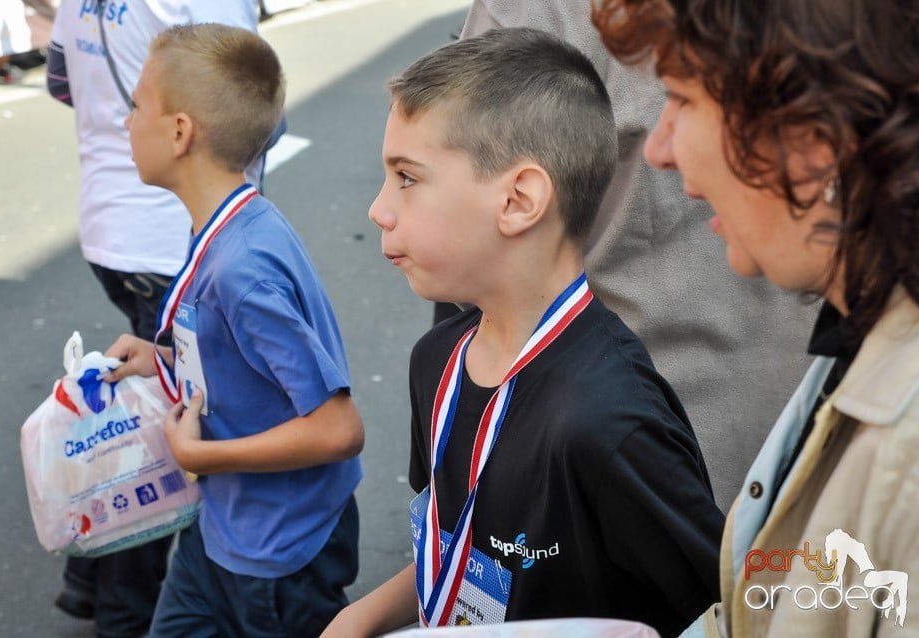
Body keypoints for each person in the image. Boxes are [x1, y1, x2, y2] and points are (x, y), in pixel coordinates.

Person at [321, 27, 724, 638]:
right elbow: (456, 543)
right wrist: (358, 618)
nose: (379, 207)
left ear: (518, 200)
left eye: (406, 177)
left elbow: (721, 603)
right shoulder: (436, 360)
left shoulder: (606, 421)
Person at [593, 0, 919, 635]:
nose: (659, 148)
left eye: (682, 99)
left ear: (812, 141)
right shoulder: (859, 336)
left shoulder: (907, 453)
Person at [452, 0, 818, 514]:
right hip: (700, 443)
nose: (662, 148)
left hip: (643, 457)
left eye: (686, 102)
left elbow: (468, 245)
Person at [99, 22, 364, 637]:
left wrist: (200, 455)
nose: (126, 120)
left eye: (137, 105)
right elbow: (241, 360)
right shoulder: (226, 224)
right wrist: (159, 356)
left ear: (180, 131)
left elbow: (337, 427)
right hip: (221, 526)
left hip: (279, 550)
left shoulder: (242, 266)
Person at [44, 2, 273, 636]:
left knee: (157, 407)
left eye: (137, 112)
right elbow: (251, 106)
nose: (127, 122)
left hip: (109, 225)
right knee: (162, 442)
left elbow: (61, 81)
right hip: (165, 234)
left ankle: (91, 584)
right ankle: (123, 614)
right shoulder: (243, 262)